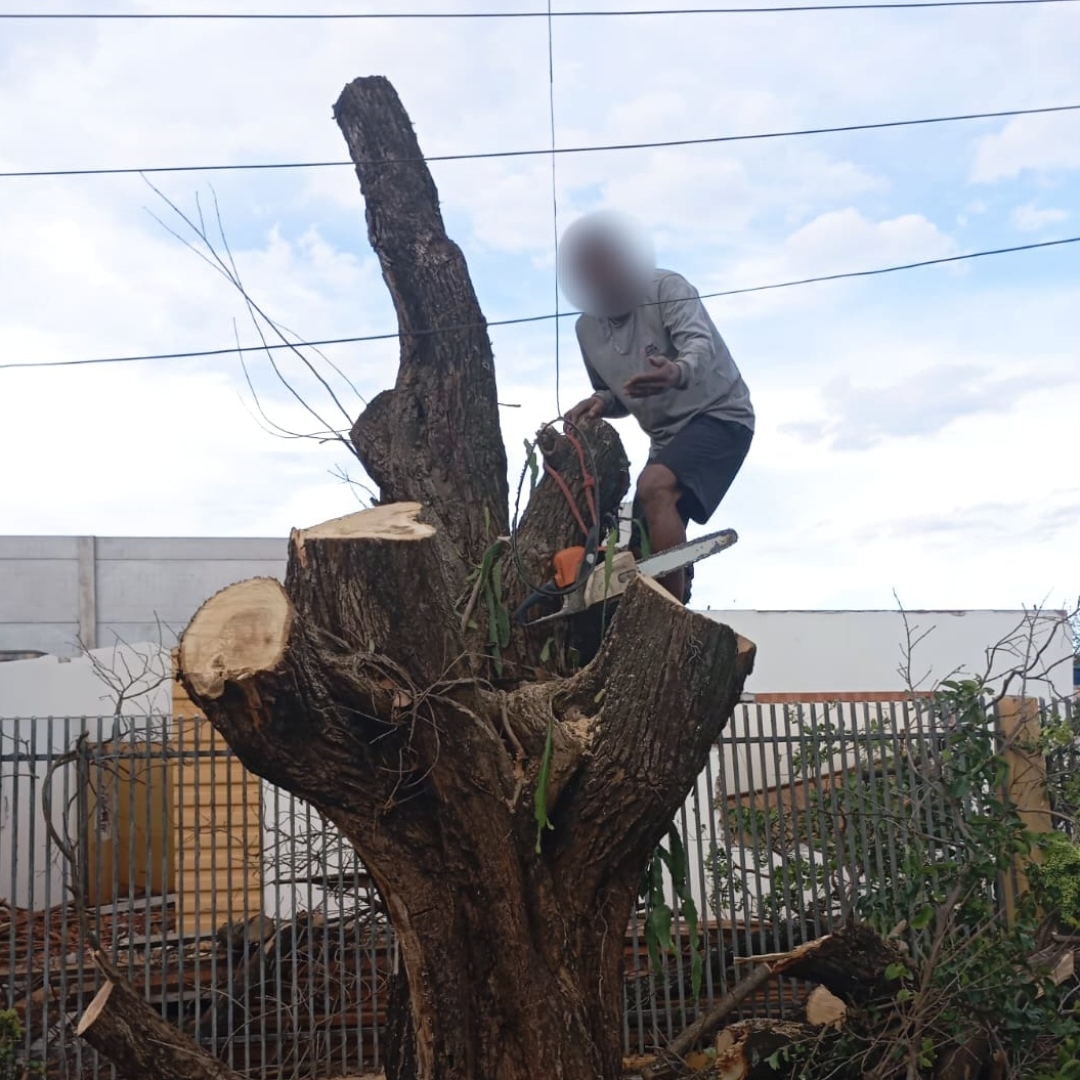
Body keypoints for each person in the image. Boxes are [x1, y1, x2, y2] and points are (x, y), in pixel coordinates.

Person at [560, 211, 754, 603]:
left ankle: (666, 615)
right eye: (590, 270)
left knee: (655, 486)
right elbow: (617, 393)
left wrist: (676, 372)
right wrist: (599, 401)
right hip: (666, 439)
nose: (601, 276)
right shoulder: (586, 329)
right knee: (641, 539)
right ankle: (674, 606)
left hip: (719, 414)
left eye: (606, 264)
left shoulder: (667, 287)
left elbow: (700, 346)